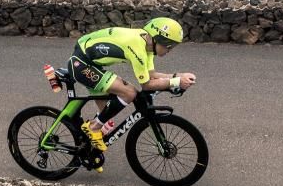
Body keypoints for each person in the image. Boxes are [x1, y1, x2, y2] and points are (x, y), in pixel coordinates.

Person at [69, 17, 196, 171]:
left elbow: (152, 75)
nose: (170, 50)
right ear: (158, 39)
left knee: (107, 119)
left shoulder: (147, 45)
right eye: (169, 46)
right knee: (129, 93)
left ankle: (89, 152)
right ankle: (94, 127)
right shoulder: (137, 46)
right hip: (82, 63)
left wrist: (178, 76)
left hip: (91, 62)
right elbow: (147, 84)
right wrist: (175, 83)